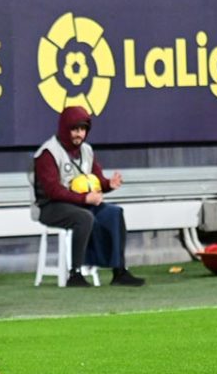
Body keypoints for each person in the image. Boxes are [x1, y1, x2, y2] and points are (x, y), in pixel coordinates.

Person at [31, 106, 145, 288]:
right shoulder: (48, 153)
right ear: (65, 129)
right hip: (50, 207)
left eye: (83, 130)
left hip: (79, 204)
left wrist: (109, 184)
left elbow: (97, 179)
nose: (79, 134)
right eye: (75, 129)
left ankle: (119, 271)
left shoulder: (86, 151)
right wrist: (85, 200)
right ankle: (75, 274)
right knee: (84, 218)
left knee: (114, 213)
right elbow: (52, 190)